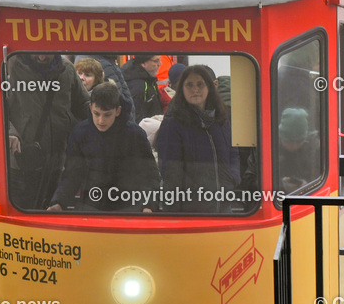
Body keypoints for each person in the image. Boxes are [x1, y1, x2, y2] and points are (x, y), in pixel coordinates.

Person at [47, 82, 160, 212]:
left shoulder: (135, 134)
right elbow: (72, 174)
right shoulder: (80, 132)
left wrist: (148, 204)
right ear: (90, 108)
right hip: (91, 205)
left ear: (118, 111)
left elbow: (149, 174)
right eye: (97, 113)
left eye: (107, 115)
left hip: (128, 206)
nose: (101, 121)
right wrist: (59, 202)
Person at [5, 53, 89, 210]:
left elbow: (83, 104)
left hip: (57, 160)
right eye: (37, 53)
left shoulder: (67, 70)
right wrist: (10, 132)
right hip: (23, 161)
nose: (42, 58)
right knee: (23, 216)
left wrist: (105, 108)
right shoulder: (11, 69)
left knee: (51, 215)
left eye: (47, 54)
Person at [155, 65, 240, 213]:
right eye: (189, 85)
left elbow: (233, 152)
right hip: (192, 210)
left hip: (224, 205)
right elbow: (170, 172)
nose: (195, 90)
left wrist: (232, 178)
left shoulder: (220, 117)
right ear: (181, 88)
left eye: (200, 84)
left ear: (209, 87)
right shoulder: (173, 123)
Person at [77, 54, 136, 124]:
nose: (81, 78)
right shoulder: (73, 96)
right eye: (79, 73)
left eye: (87, 75)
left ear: (96, 79)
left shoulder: (104, 98)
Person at [276, 107, 321, 194]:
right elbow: (251, 179)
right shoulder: (267, 148)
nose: (292, 147)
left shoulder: (316, 151)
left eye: (297, 142)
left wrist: (308, 186)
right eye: (287, 141)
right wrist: (278, 184)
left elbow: (323, 179)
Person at [121, 55, 164, 121]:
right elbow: (136, 117)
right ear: (143, 63)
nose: (160, 64)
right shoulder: (138, 86)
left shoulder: (148, 78)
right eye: (156, 61)